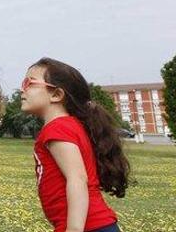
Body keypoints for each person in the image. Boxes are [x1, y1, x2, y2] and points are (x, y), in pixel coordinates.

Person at [20, 58, 129, 232]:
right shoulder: (69, 126)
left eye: (29, 83)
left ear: (56, 95)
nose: (22, 89)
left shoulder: (57, 128)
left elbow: (77, 179)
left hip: (88, 227)